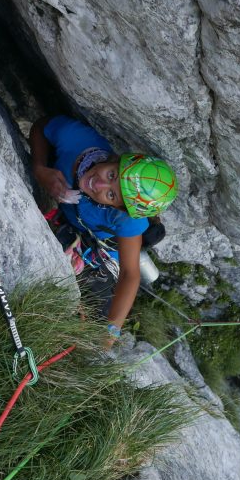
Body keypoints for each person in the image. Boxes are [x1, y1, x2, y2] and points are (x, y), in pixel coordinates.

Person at [29, 115, 177, 342]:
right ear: (116, 160)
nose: (98, 184)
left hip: (100, 250)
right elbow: (41, 127)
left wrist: (110, 333)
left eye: (111, 194)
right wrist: (39, 168)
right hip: (72, 226)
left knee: (97, 318)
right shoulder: (74, 137)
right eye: (112, 175)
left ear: (118, 206)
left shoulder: (127, 219)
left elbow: (130, 274)